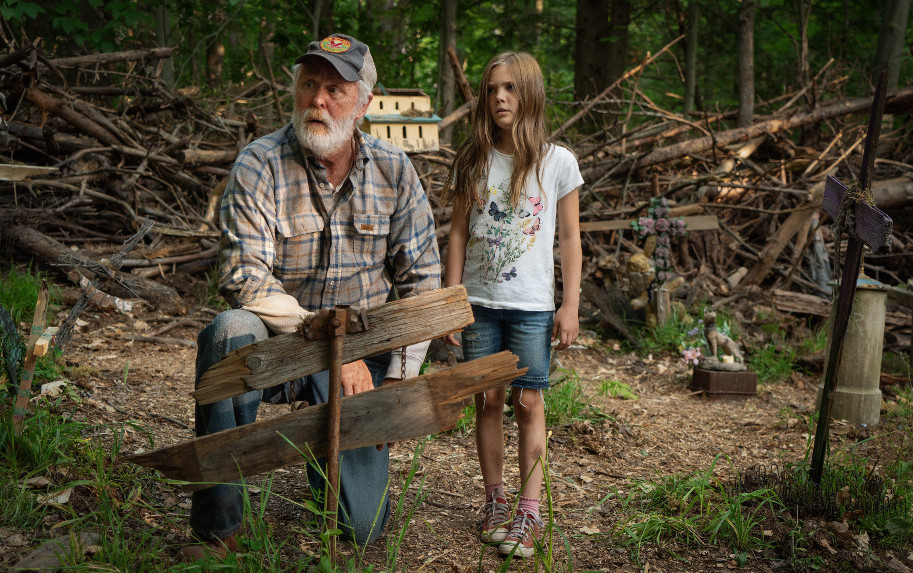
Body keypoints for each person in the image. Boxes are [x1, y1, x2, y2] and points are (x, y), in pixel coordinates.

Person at [178, 33, 441, 561]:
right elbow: (245, 276)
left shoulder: (393, 170)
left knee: (362, 528)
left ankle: (328, 463)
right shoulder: (260, 163)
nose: (317, 100)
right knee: (229, 331)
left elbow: (423, 280)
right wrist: (326, 342)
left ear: (364, 104)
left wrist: (397, 379)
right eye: (309, 84)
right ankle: (218, 530)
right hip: (281, 343)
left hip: (360, 359)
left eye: (335, 90)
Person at [443, 52, 583, 558]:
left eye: (510, 88)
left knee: (528, 403)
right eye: (492, 89)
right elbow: (458, 233)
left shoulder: (557, 161)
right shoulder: (475, 159)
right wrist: (452, 300)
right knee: (488, 400)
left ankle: (529, 510)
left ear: (530, 94)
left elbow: (570, 238)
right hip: (479, 304)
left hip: (531, 307)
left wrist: (570, 305)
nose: (499, 97)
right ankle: (495, 500)